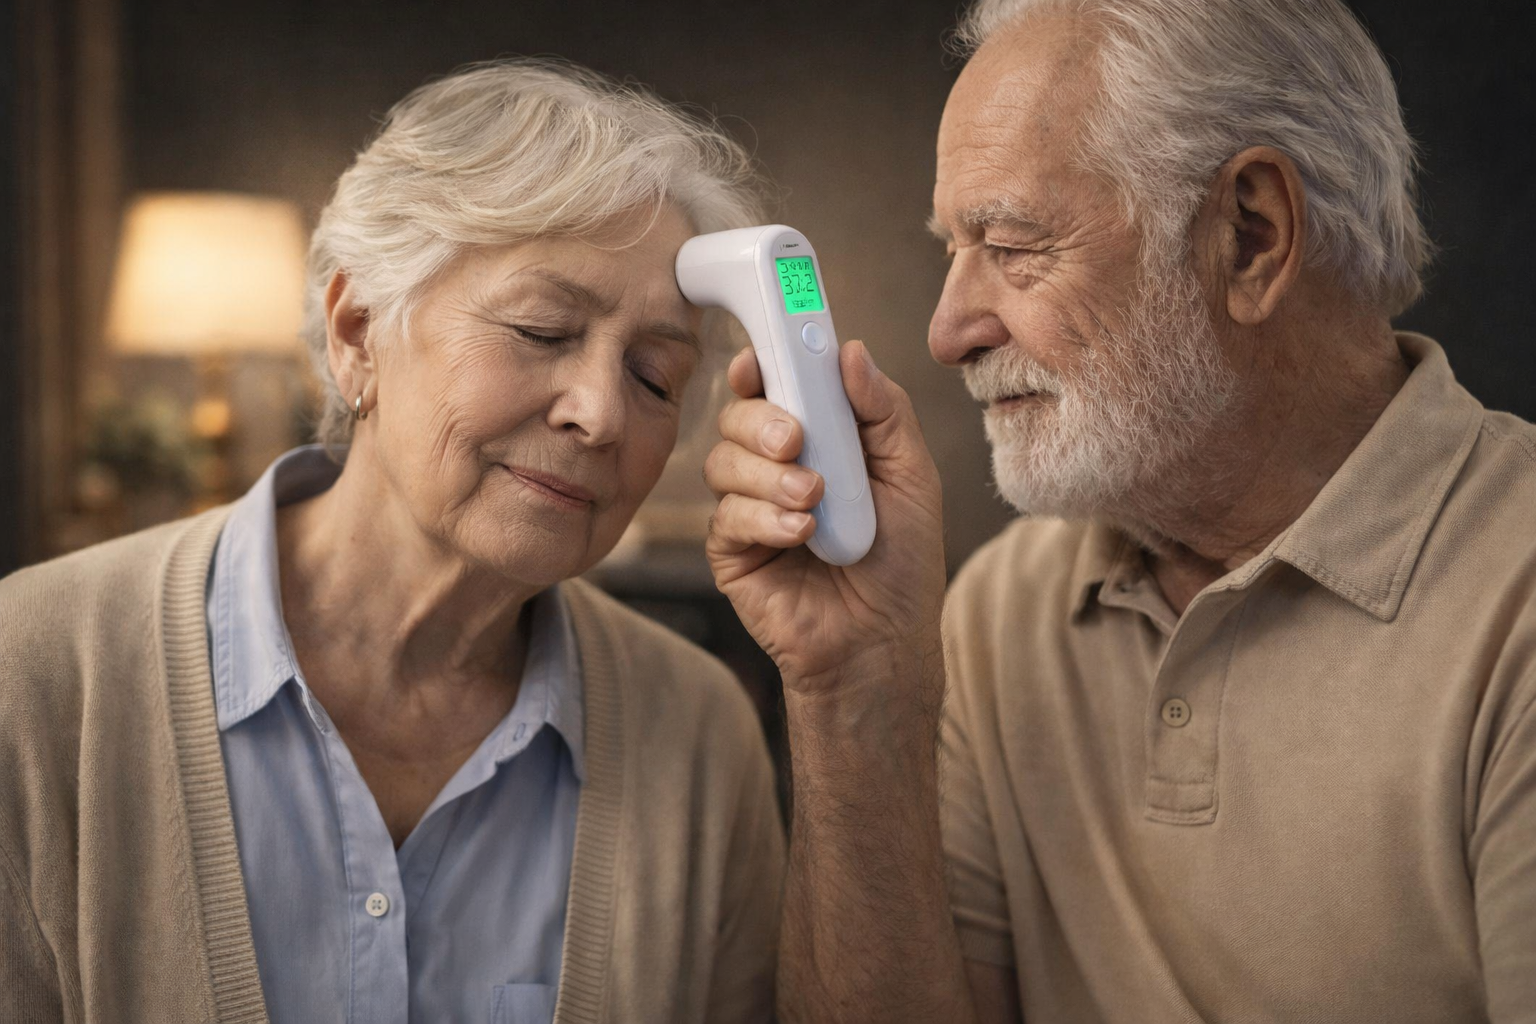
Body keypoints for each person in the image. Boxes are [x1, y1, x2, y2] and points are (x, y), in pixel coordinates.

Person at [703, 1, 1536, 1022]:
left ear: (1252, 235)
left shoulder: (1517, 596)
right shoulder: (1002, 609)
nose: (947, 330)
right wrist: (855, 687)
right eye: (950, 252)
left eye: (1010, 245)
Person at [0, 60, 783, 1024]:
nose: (601, 415)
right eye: (542, 330)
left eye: (655, 378)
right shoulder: (30, 671)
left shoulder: (704, 735)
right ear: (357, 330)